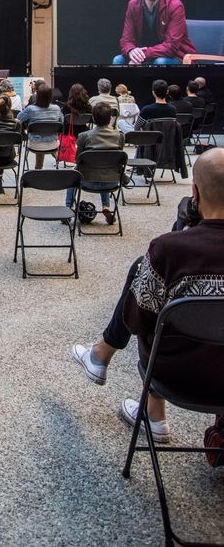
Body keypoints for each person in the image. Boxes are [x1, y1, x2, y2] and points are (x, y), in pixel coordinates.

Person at [72, 148, 224, 443]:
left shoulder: (169, 249)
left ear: (194, 192)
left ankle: (153, 415)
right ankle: (100, 358)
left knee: (148, 306)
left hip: (173, 376)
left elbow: (137, 319)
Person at [113, 0, 195, 66]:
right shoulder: (133, 5)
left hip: (176, 57)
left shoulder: (175, 5)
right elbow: (126, 40)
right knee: (117, 60)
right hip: (147, 56)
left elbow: (171, 47)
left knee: (159, 62)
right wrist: (131, 51)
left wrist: (142, 54)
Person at [66, 102, 125, 220]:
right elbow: (118, 160)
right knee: (106, 166)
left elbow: (78, 160)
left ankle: (68, 209)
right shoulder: (120, 136)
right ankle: (106, 207)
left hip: (87, 181)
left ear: (93, 118)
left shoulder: (84, 136)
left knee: (72, 177)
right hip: (112, 182)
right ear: (110, 119)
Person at [17, 83, 64, 169]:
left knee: (40, 141)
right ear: (50, 96)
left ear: (37, 96)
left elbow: (19, 118)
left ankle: (38, 169)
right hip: (52, 144)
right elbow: (62, 123)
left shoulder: (31, 109)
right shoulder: (57, 108)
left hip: (35, 144)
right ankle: (58, 158)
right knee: (47, 140)